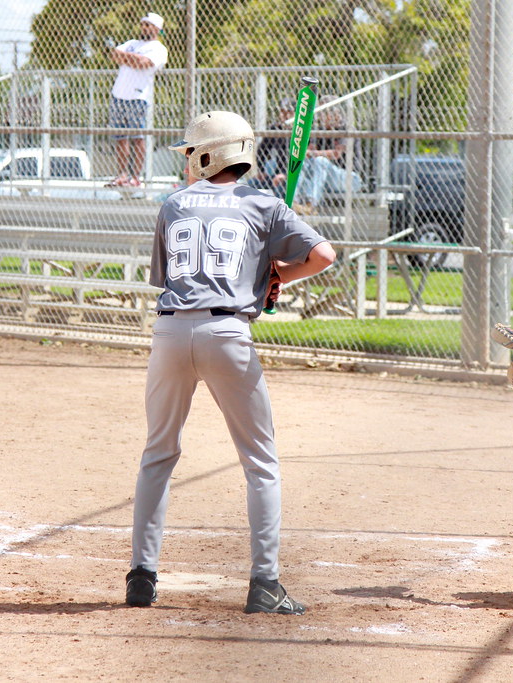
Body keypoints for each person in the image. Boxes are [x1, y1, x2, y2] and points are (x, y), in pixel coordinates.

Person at [126, 110, 336, 614]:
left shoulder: (173, 204)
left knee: (158, 453)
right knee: (260, 461)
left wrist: (262, 271)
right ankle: (265, 584)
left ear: (206, 154)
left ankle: (141, 577)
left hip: (170, 332)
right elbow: (324, 255)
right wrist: (278, 272)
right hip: (227, 334)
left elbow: (178, 277)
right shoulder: (263, 202)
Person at [105, 12, 169, 188]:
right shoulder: (132, 43)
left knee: (138, 138)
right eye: (143, 24)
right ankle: (122, 175)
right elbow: (115, 54)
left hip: (138, 97)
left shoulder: (158, 48)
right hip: (119, 95)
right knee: (120, 137)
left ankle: (135, 177)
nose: (144, 28)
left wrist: (127, 59)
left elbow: (145, 63)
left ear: (157, 29)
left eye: (148, 25)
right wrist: (133, 59)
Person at [294, 98, 363, 211]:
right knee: (303, 162)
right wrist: (308, 153)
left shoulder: (345, 128)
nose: (320, 115)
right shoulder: (319, 129)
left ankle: (311, 204)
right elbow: (308, 152)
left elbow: (336, 154)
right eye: (320, 112)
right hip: (323, 178)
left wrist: (312, 153)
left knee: (320, 161)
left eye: (324, 112)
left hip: (349, 177)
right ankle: (293, 202)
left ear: (335, 113)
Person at [250, 97, 295, 196]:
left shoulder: (299, 130)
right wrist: (261, 171)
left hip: (292, 173)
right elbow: (262, 150)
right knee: (252, 183)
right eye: (282, 112)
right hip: (276, 171)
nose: (285, 115)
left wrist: (285, 174)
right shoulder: (275, 128)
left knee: (280, 186)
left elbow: (301, 159)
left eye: (289, 112)